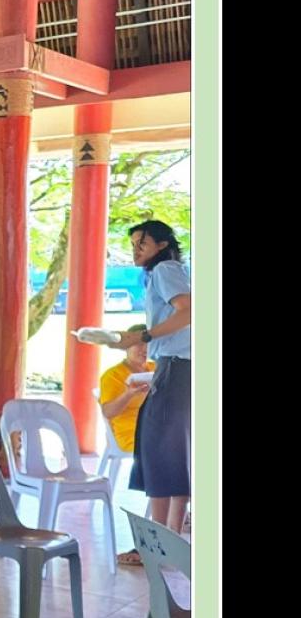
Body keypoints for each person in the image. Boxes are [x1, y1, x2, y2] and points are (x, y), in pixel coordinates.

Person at [110, 220, 191, 536]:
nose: (135, 249)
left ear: (161, 244)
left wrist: (143, 336)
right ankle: (169, 536)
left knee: (158, 450)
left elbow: (188, 311)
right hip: (180, 367)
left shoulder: (164, 271)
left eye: (141, 242)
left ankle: (158, 540)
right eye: (132, 244)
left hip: (177, 367)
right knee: (176, 452)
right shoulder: (168, 272)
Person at [99, 323, 155, 565]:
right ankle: (160, 530)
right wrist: (130, 393)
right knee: (169, 455)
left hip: (156, 427)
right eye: (139, 344)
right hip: (131, 434)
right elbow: (108, 411)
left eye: (148, 343)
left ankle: (177, 515)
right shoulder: (113, 375)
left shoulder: (156, 369)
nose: (144, 349)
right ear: (126, 347)